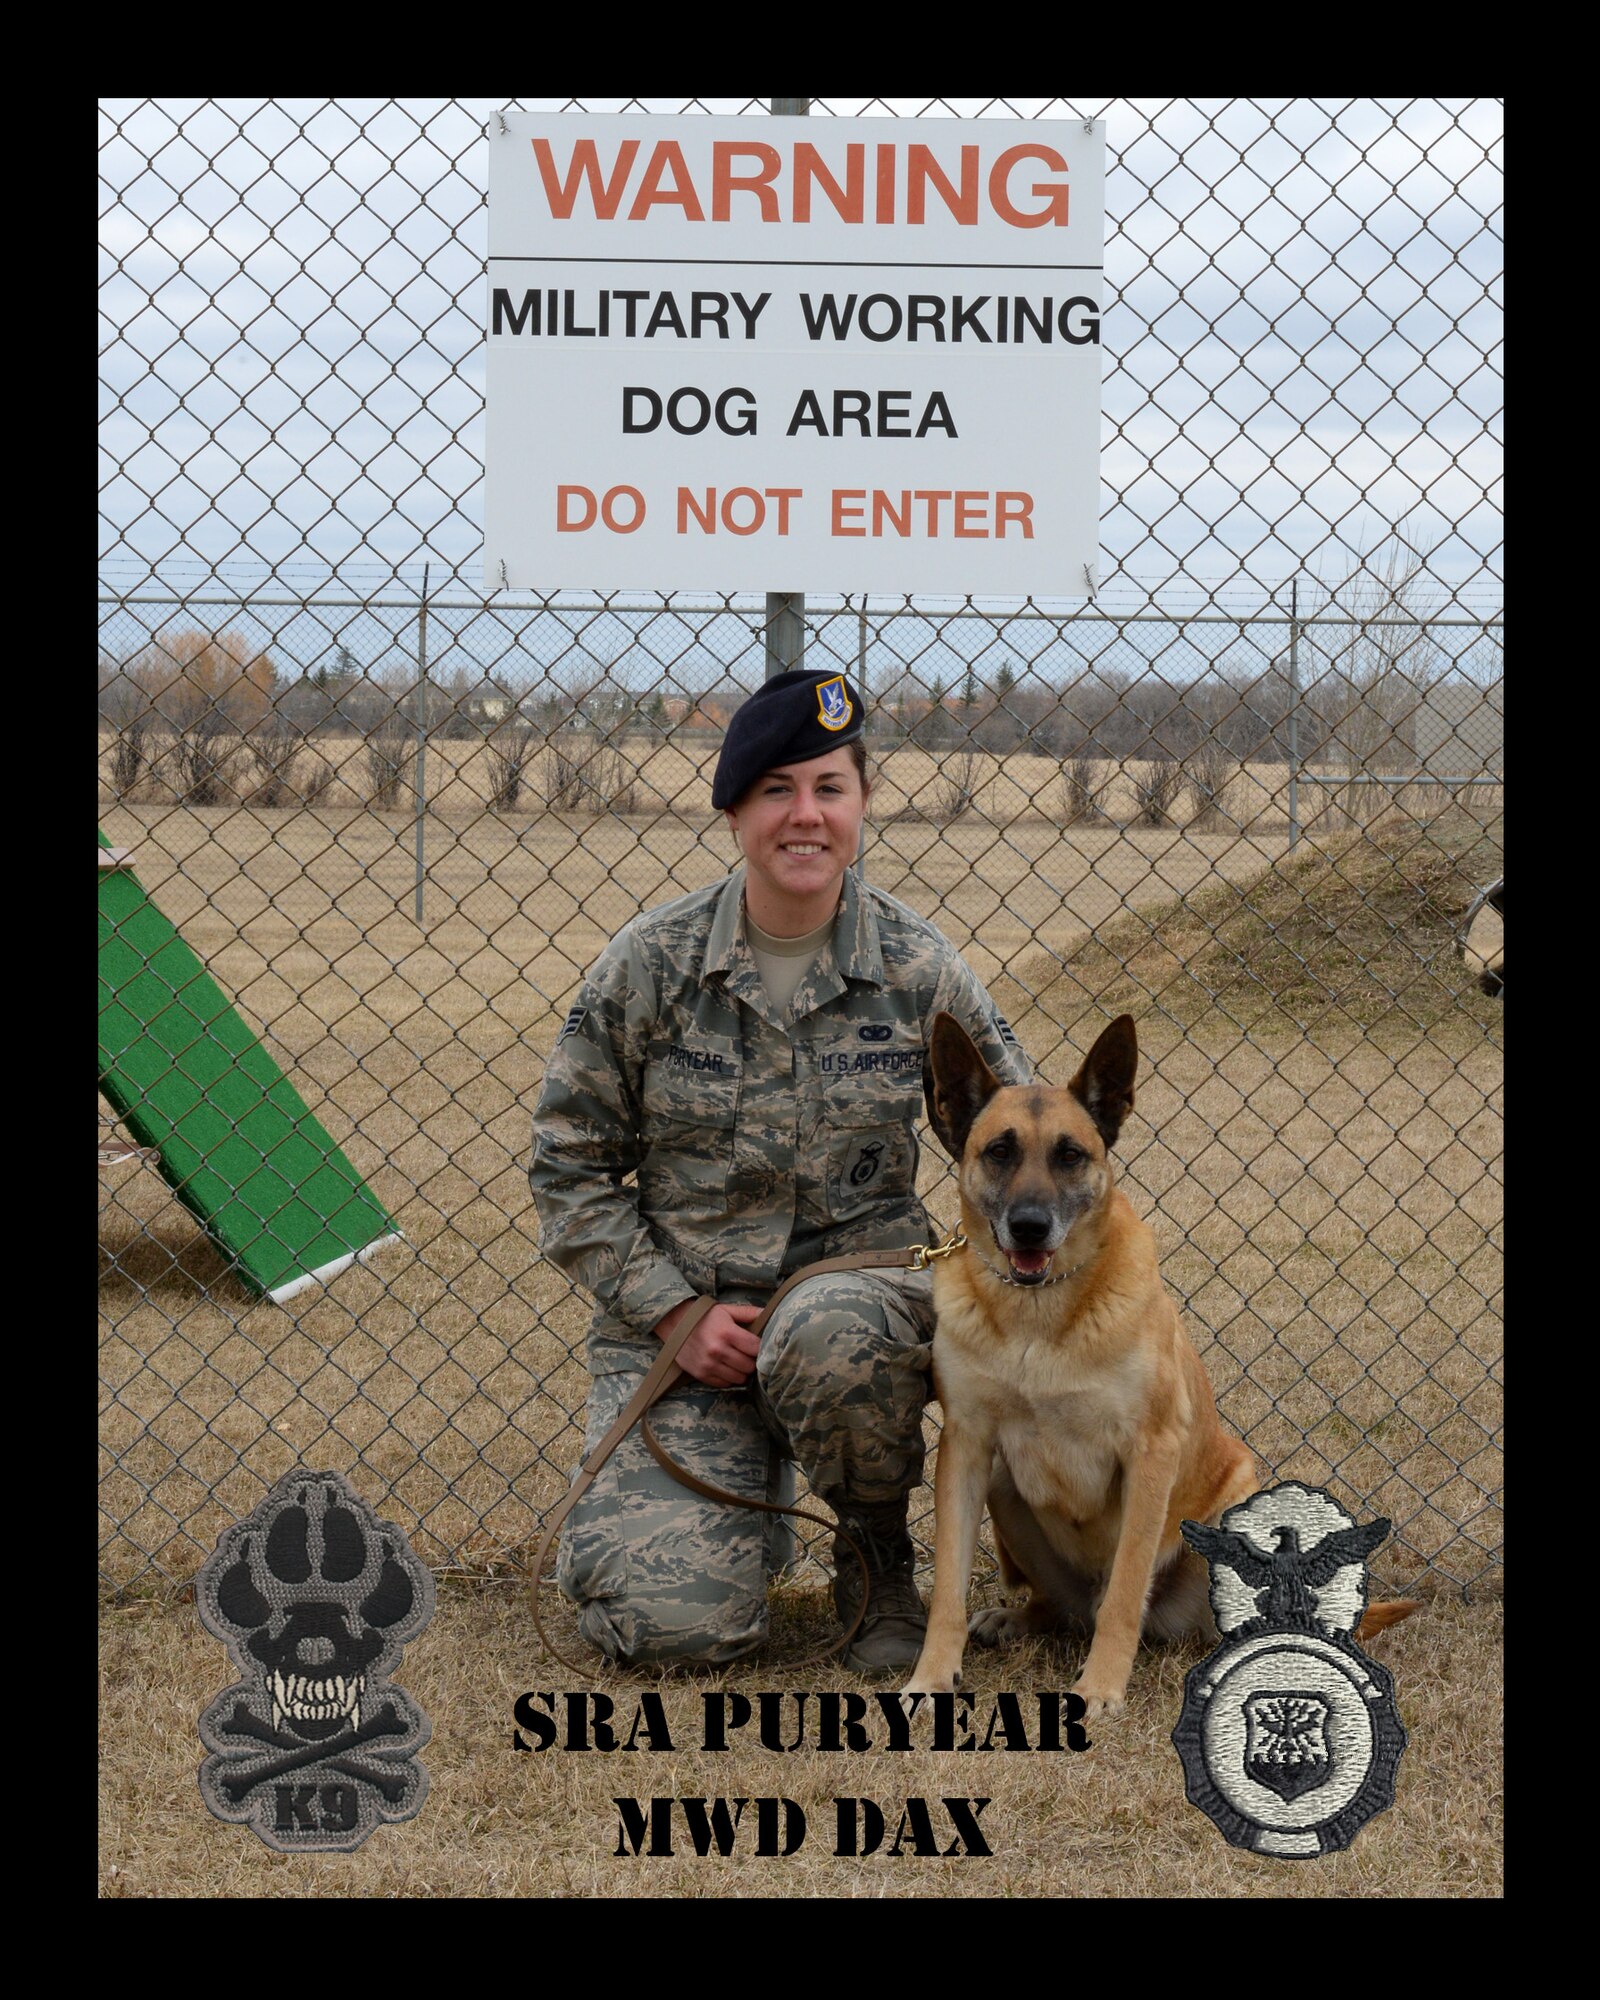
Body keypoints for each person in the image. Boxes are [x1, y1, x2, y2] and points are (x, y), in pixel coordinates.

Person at [529, 667, 1030, 1670]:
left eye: (829, 789)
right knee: (673, 1633)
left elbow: (1017, 1141)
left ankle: (876, 1557)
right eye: (776, 790)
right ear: (733, 811)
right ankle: (735, 1519)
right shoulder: (650, 966)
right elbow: (567, 1169)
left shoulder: (919, 969)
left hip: (857, 1318)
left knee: (830, 1321)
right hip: (686, 1333)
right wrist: (674, 1311)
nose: (805, 816)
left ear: (861, 804)